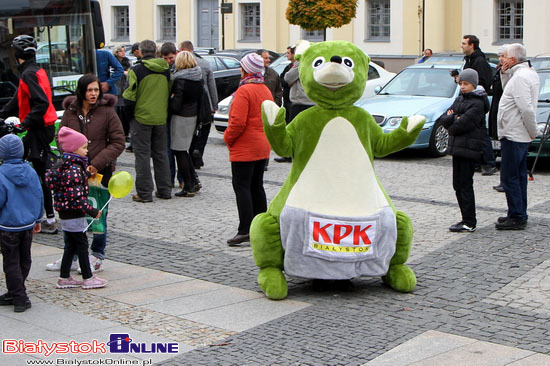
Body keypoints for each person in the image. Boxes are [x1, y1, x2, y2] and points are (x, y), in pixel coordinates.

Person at [45, 74, 125, 273]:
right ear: (81, 91)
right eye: (89, 90)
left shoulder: (107, 111)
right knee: (71, 213)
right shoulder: (71, 112)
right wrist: (72, 161)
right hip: (73, 173)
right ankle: (70, 256)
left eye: (96, 90)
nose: (93, 94)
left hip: (99, 172)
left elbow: (118, 142)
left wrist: (96, 163)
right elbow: (61, 138)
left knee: (98, 213)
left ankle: (97, 255)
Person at [0, 35, 58, 234]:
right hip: (41, 128)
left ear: (16, 57)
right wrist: (2, 114)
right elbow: (18, 99)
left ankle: (48, 219)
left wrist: (23, 124)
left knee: (36, 174)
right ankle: (43, 216)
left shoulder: (28, 74)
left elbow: (41, 102)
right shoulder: (36, 71)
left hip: (39, 130)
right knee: (26, 167)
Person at [46, 127, 107, 289]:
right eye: (84, 147)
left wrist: (85, 175)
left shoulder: (66, 165)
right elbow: (76, 197)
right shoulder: (74, 169)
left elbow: (70, 185)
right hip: (74, 213)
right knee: (81, 245)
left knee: (71, 245)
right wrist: (92, 211)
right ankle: (88, 277)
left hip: (65, 213)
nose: (87, 151)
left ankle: (64, 277)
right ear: (74, 149)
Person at [224, 53, 273, 246]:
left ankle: (245, 229)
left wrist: (228, 138)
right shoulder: (265, 89)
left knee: (242, 187)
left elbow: (237, 122)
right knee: (256, 186)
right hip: (261, 145)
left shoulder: (244, 91)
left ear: (245, 69)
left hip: (245, 146)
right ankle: (261, 226)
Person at [438, 69, 489, 233]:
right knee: (457, 185)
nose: (463, 87)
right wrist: (454, 117)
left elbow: (461, 125)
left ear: (474, 84)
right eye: (460, 83)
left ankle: (469, 221)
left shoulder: (478, 103)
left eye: (466, 84)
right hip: (458, 149)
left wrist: (453, 119)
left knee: (465, 185)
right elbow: (444, 118)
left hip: (469, 149)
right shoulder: (459, 99)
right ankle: (465, 218)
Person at [495, 43, 540, 230]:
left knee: (510, 176)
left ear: (513, 59)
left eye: (504, 56)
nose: (501, 59)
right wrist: (504, 74)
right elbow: (509, 93)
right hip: (515, 132)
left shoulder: (521, 77)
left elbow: (526, 108)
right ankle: (517, 211)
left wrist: (533, 131)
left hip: (515, 134)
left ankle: (517, 215)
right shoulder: (522, 74)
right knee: (518, 175)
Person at [123, 40, 172, 202]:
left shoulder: (136, 70)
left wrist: (128, 116)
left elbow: (130, 96)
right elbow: (169, 90)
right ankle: (165, 190)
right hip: (160, 117)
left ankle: (144, 193)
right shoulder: (165, 70)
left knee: (142, 155)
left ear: (141, 52)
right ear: (156, 51)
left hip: (141, 117)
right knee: (161, 154)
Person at [0, 134, 43, 312]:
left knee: (11, 261)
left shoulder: (1, 174)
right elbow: (39, 195)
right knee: (24, 259)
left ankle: (19, 296)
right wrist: (38, 218)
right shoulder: (31, 171)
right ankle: (15, 291)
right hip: (27, 224)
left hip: (8, 224)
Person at [169, 51, 204, 197]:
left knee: (179, 151)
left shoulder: (180, 79)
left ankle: (188, 186)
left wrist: (170, 100)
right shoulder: (198, 76)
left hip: (181, 116)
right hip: (194, 115)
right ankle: (193, 181)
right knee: (185, 150)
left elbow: (176, 104)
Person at [461, 34, 497, 175]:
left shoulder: (479, 61)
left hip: (477, 100)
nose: (462, 46)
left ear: (472, 45)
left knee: (481, 132)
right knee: (472, 132)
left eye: (464, 43)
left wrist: (471, 86)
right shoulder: (469, 60)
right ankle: (476, 162)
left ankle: (489, 163)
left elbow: (484, 82)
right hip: (469, 99)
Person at [180, 40, 219, 170]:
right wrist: (214, 105)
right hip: (205, 102)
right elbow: (212, 86)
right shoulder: (205, 63)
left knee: (191, 130)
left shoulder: (181, 64)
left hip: (188, 105)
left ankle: (191, 154)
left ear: (185, 49)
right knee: (204, 129)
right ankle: (198, 152)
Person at [489, 45, 508, 193]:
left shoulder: (509, 73)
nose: (501, 58)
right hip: (496, 108)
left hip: (504, 112)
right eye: (499, 55)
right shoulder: (499, 71)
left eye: (503, 55)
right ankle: (504, 179)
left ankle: (506, 180)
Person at [113, 46, 132, 140]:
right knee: (117, 113)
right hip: (117, 89)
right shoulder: (113, 61)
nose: (123, 53)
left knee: (124, 114)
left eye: (124, 51)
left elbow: (129, 72)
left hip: (124, 87)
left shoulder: (127, 62)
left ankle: (125, 133)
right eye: (121, 51)